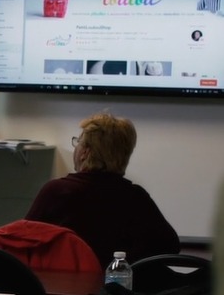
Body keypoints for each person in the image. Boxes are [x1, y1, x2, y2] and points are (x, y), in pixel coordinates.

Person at [24, 111, 180, 268]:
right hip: (118, 289)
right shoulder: (135, 197)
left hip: (61, 288)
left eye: (78, 141)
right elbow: (170, 246)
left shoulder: (56, 191)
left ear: (85, 152)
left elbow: (21, 239)